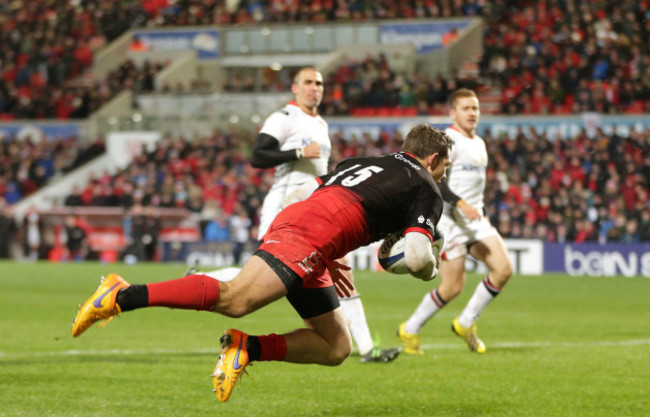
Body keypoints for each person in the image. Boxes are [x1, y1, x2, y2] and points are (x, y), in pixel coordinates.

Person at [71, 124, 452, 402]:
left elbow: (306, 191)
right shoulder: (425, 186)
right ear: (432, 159)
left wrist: (328, 249)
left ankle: (246, 349)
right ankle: (123, 294)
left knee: (336, 346)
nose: (443, 175)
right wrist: (431, 267)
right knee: (236, 300)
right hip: (310, 236)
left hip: (308, 228)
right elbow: (417, 256)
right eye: (445, 168)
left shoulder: (365, 161)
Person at [249, 66, 399, 363]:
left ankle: (368, 348)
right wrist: (298, 154)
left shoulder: (321, 124)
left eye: (319, 83)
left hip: (312, 209)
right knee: (265, 280)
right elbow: (258, 155)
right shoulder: (285, 117)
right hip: (284, 207)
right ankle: (202, 277)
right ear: (295, 88)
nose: (314, 88)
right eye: (308, 82)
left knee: (342, 272)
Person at [397, 88, 513, 355]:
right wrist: (460, 204)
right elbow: (438, 180)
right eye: (466, 108)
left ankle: (465, 322)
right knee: (452, 287)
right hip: (449, 218)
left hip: (474, 218)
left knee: (504, 269)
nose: (472, 113)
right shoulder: (448, 141)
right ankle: (410, 329)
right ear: (453, 113)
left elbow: (475, 187)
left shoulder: (480, 143)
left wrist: (476, 208)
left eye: (475, 108)